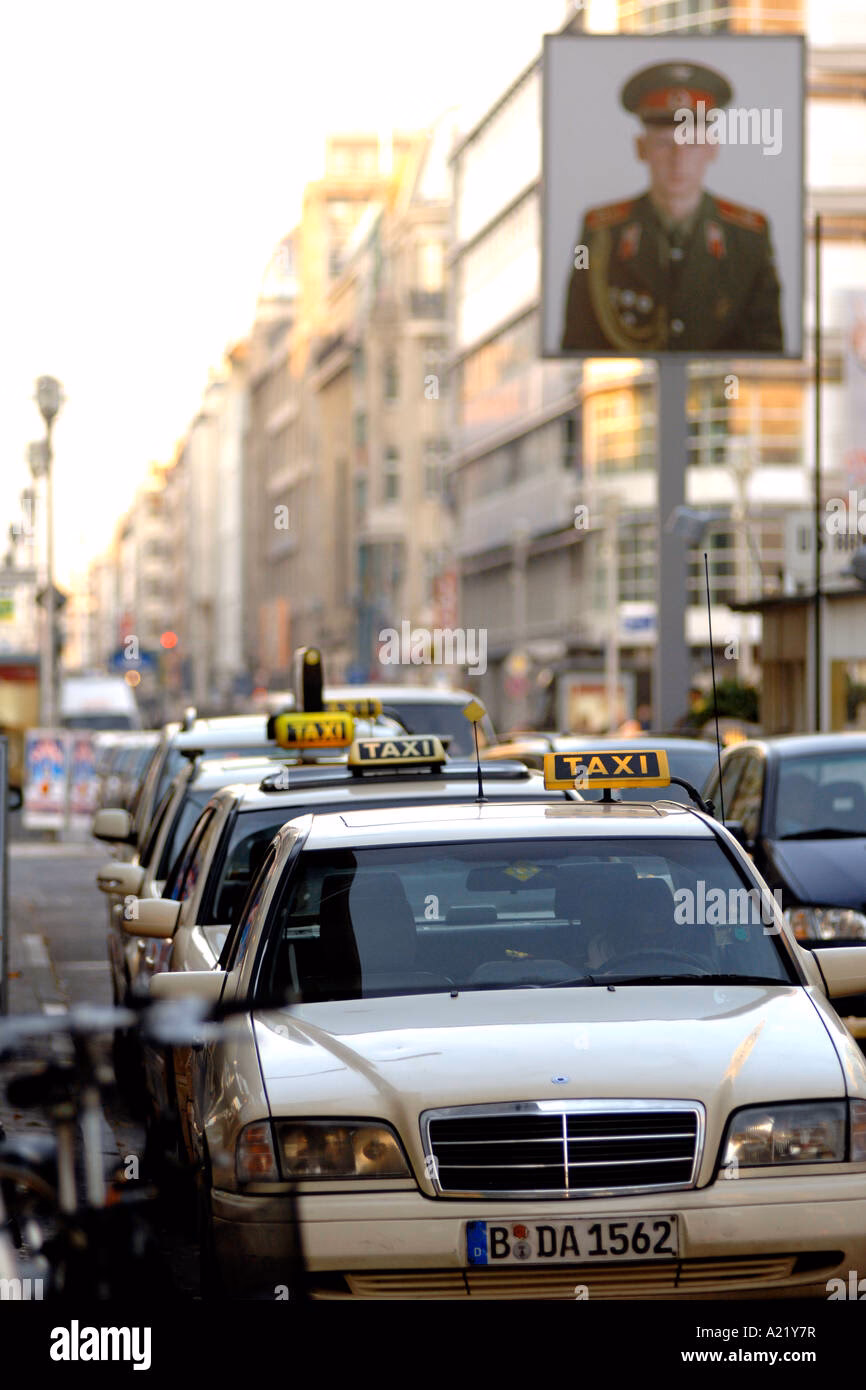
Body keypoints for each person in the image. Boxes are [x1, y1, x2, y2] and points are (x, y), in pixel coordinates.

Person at [560, 61, 783, 353]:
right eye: (664, 144)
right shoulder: (599, 232)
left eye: (691, 144)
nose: (678, 160)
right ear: (641, 149)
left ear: (712, 149)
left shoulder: (749, 235)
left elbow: (767, 344)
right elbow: (578, 339)